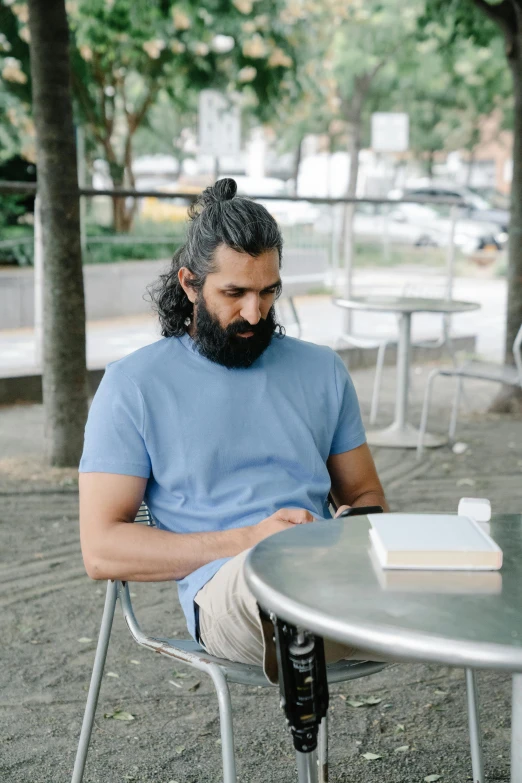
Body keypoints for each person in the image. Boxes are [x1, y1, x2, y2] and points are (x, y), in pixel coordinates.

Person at [79, 178, 388, 682]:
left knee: (470, 585)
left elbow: (365, 492)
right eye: (234, 293)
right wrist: (252, 539)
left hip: (331, 571)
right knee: (283, 588)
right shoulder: (134, 384)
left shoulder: (322, 370)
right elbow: (101, 549)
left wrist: (360, 524)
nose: (254, 312)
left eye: (269, 292)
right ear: (189, 285)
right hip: (229, 594)